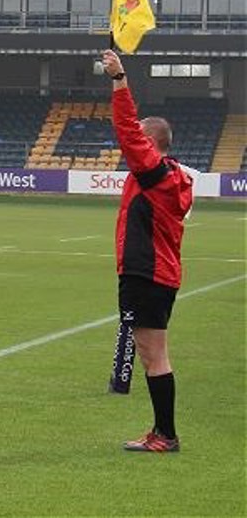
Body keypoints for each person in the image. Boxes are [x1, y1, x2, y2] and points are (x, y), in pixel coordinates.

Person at [103, 49, 194, 453]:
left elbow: (126, 128)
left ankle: (166, 435)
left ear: (152, 142)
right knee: (153, 353)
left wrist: (119, 78)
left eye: (142, 135)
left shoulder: (154, 173)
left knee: (153, 355)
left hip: (148, 274)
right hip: (158, 274)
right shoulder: (167, 177)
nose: (132, 141)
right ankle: (162, 431)